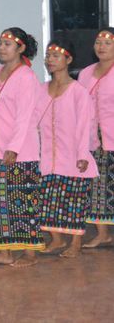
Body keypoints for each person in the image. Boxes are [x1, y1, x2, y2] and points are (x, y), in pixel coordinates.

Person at [0, 27, 44, 267]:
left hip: (21, 151)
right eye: (0, 43)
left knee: (23, 202)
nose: (1, 48)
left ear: (21, 48)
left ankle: (29, 254)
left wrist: (13, 148)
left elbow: (25, 118)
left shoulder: (26, 77)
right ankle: (4, 252)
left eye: (7, 44)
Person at [36, 38, 97, 258]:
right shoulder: (42, 90)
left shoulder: (78, 91)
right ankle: (57, 240)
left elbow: (85, 126)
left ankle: (75, 244)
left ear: (68, 59)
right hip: (48, 157)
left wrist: (83, 154)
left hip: (73, 156)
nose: (50, 60)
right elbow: (33, 121)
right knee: (48, 200)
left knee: (73, 201)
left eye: (56, 56)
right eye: (48, 56)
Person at [79, 27, 114, 248]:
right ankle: (103, 233)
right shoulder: (85, 73)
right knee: (98, 185)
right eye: (98, 42)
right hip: (93, 138)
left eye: (107, 43)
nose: (101, 46)